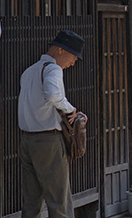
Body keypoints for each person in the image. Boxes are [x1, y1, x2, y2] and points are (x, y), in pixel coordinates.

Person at [19, 30, 84, 218]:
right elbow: (53, 94)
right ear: (61, 50)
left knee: (31, 201)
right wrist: (70, 109)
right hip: (48, 141)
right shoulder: (53, 68)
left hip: (27, 141)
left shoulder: (29, 72)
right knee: (59, 200)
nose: (72, 64)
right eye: (73, 57)